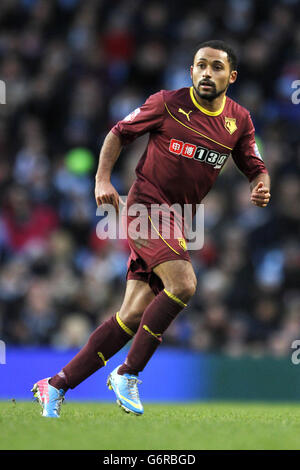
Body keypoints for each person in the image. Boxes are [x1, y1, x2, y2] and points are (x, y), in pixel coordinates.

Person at [32, 40, 270, 417]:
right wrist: (102, 180)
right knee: (184, 284)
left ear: (232, 76)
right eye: (200, 66)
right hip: (146, 208)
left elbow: (254, 164)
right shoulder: (166, 103)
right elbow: (118, 132)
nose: (207, 73)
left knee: (130, 316)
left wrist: (262, 183)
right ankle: (128, 372)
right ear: (191, 71)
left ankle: (56, 384)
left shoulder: (238, 120)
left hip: (182, 221)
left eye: (216, 67)